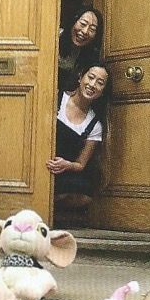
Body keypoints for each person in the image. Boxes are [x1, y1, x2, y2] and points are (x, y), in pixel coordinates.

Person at [47, 62, 111, 221]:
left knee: (84, 193)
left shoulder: (94, 125)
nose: (93, 85)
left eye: (100, 83)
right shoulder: (56, 97)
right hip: (39, 161)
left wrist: (66, 165)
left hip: (61, 171)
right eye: (91, 77)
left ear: (102, 92)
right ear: (80, 77)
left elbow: (80, 164)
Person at [58, 6, 103, 93]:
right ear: (73, 22)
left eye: (92, 29)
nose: (85, 31)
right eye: (83, 24)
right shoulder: (54, 37)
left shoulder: (87, 57)